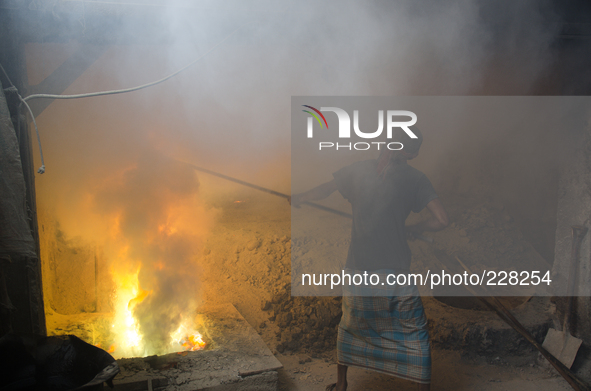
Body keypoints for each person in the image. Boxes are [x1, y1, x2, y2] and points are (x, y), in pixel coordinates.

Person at [290, 128, 448, 391]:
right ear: (412, 154)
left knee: (351, 328)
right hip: (395, 272)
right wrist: (415, 228)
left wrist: (300, 198)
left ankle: (341, 385)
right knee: (414, 332)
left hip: (359, 269)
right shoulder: (417, 179)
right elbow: (442, 220)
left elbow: (325, 189)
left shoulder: (360, 170)